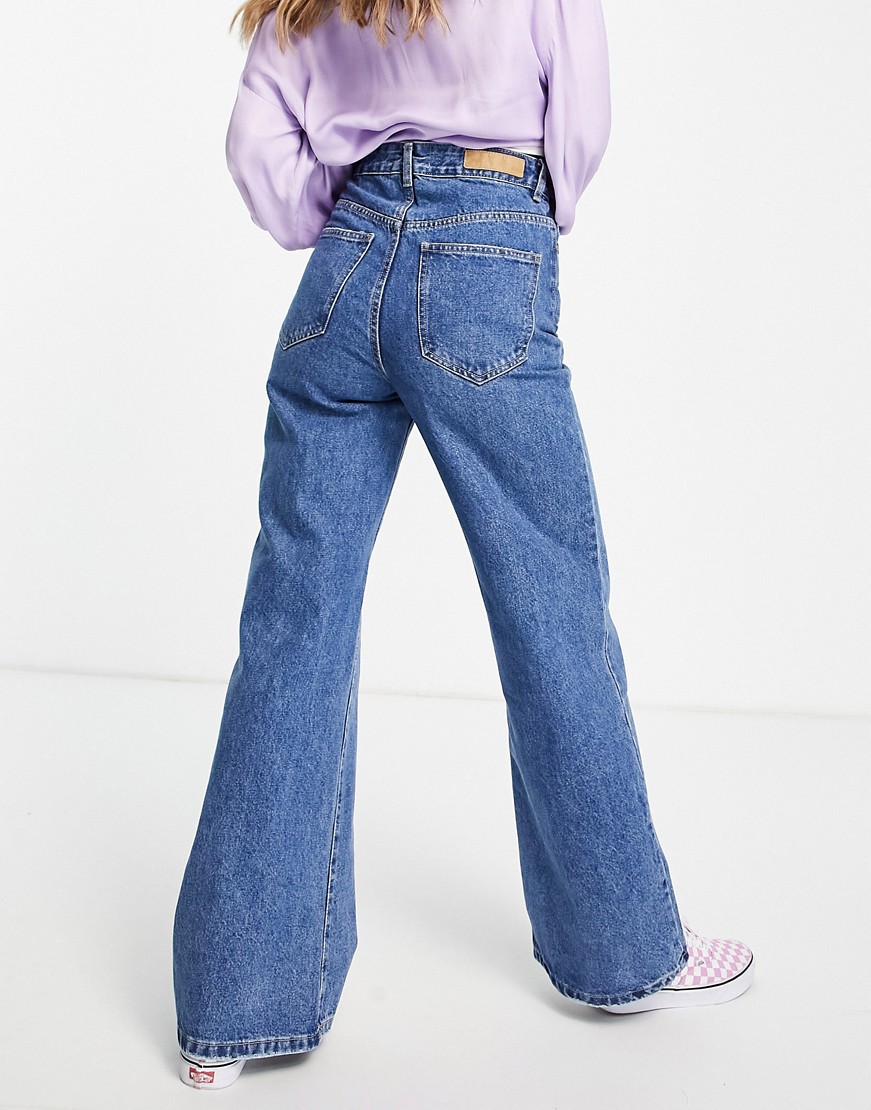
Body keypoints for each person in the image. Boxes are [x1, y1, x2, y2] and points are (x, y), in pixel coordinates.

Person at [172, 0, 754, 1091]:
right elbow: (581, 118)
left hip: (343, 267)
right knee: (551, 610)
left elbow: (256, 151)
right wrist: (524, 207)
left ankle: (229, 1012)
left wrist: (351, 210)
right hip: (487, 245)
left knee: (292, 624)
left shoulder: (299, 5)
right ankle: (624, 952)